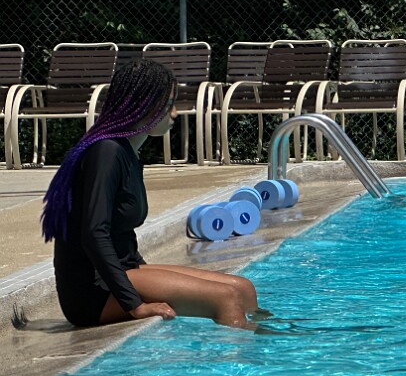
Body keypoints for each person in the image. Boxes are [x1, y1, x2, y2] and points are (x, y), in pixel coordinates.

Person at [41, 60, 262, 330]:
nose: (175, 113)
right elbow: (94, 234)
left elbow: (120, 233)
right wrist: (135, 304)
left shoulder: (129, 152)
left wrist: (153, 278)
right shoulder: (106, 152)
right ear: (142, 105)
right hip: (91, 290)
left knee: (243, 288)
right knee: (225, 298)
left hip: (123, 270)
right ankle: (244, 355)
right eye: (168, 105)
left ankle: (269, 339)